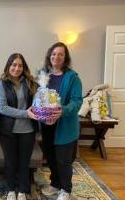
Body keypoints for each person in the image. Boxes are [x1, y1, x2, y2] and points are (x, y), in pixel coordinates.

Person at [39, 42, 83, 200]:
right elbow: (37, 97)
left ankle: (66, 189)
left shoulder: (72, 77)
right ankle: (55, 184)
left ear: (65, 58)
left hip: (64, 126)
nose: (56, 57)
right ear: (49, 56)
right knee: (50, 157)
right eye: (53, 54)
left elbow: (77, 101)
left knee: (64, 160)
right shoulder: (43, 75)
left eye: (60, 54)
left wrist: (61, 111)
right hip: (46, 125)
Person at [0, 53, 38, 200]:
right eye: (14, 65)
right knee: (10, 161)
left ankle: (22, 190)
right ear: (8, 66)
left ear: (23, 67)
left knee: (24, 162)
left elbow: (38, 103)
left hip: (28, 130)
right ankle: (11, 189)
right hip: (8, 130)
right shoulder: (1, 84)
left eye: (20, 65)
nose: (17, 68)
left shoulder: (31, 83)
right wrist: (25, 113)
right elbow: (2, 108)